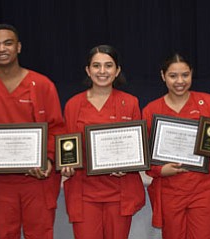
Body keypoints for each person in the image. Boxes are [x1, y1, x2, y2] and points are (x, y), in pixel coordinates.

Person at [0, 23, 65, 239]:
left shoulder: (43, 85)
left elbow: (56, 129)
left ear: (18, 47)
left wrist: (49, 160)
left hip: (37, 181)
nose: (2, 49)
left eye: (8, 43)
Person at [142, 53, 210, 239]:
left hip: (204, 190)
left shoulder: (209, 102)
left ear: (192, 74)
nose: (179, 81)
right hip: (170, 191)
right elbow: (144, 153)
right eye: (173, 76)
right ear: (163, 76)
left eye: (185, 75)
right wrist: (159, 170)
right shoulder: (151, 110)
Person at [61, 44, 145, 239]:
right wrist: (66, 165)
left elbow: (136, 146)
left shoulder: (130, 103)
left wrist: (129, 164)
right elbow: (67, 147)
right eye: (96, 66)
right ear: (88, 71)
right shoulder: (73, 104)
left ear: (117, 71)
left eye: (108, 65)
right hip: (84, 194)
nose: (102, 71)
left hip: (119, 193)